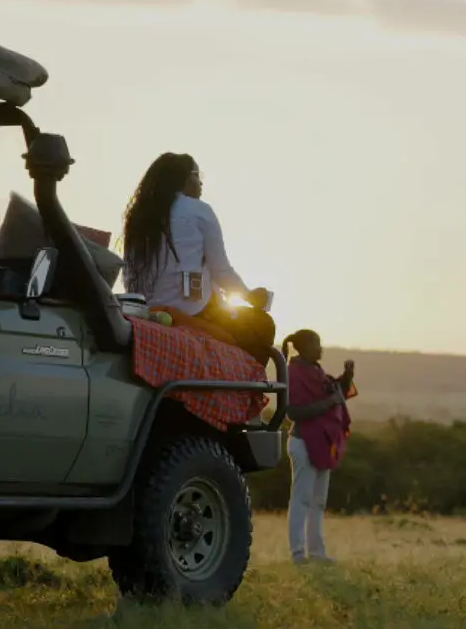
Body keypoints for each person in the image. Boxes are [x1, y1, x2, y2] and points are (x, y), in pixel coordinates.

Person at [120, 153, 275, 359]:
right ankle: (242, 378)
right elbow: (221, 271)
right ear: (183, 178)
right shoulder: (198, 210)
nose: (201, 182)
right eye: (197, 175)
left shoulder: (138, 217)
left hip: (147, 312)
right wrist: (249, 295)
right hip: (190, 313)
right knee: (262, 324)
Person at [283, 328, 353, 565]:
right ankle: (297, 553)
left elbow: (336, 393)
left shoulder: (316, 371)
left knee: (318, 501)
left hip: (322, 442)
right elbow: (294, 412)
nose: (321, 348)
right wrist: (330, 402)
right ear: (304, 347)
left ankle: (317, 553)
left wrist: (347, 376)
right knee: (302, 499)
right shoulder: (293, 373)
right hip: (304, 441)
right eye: (316, 344)